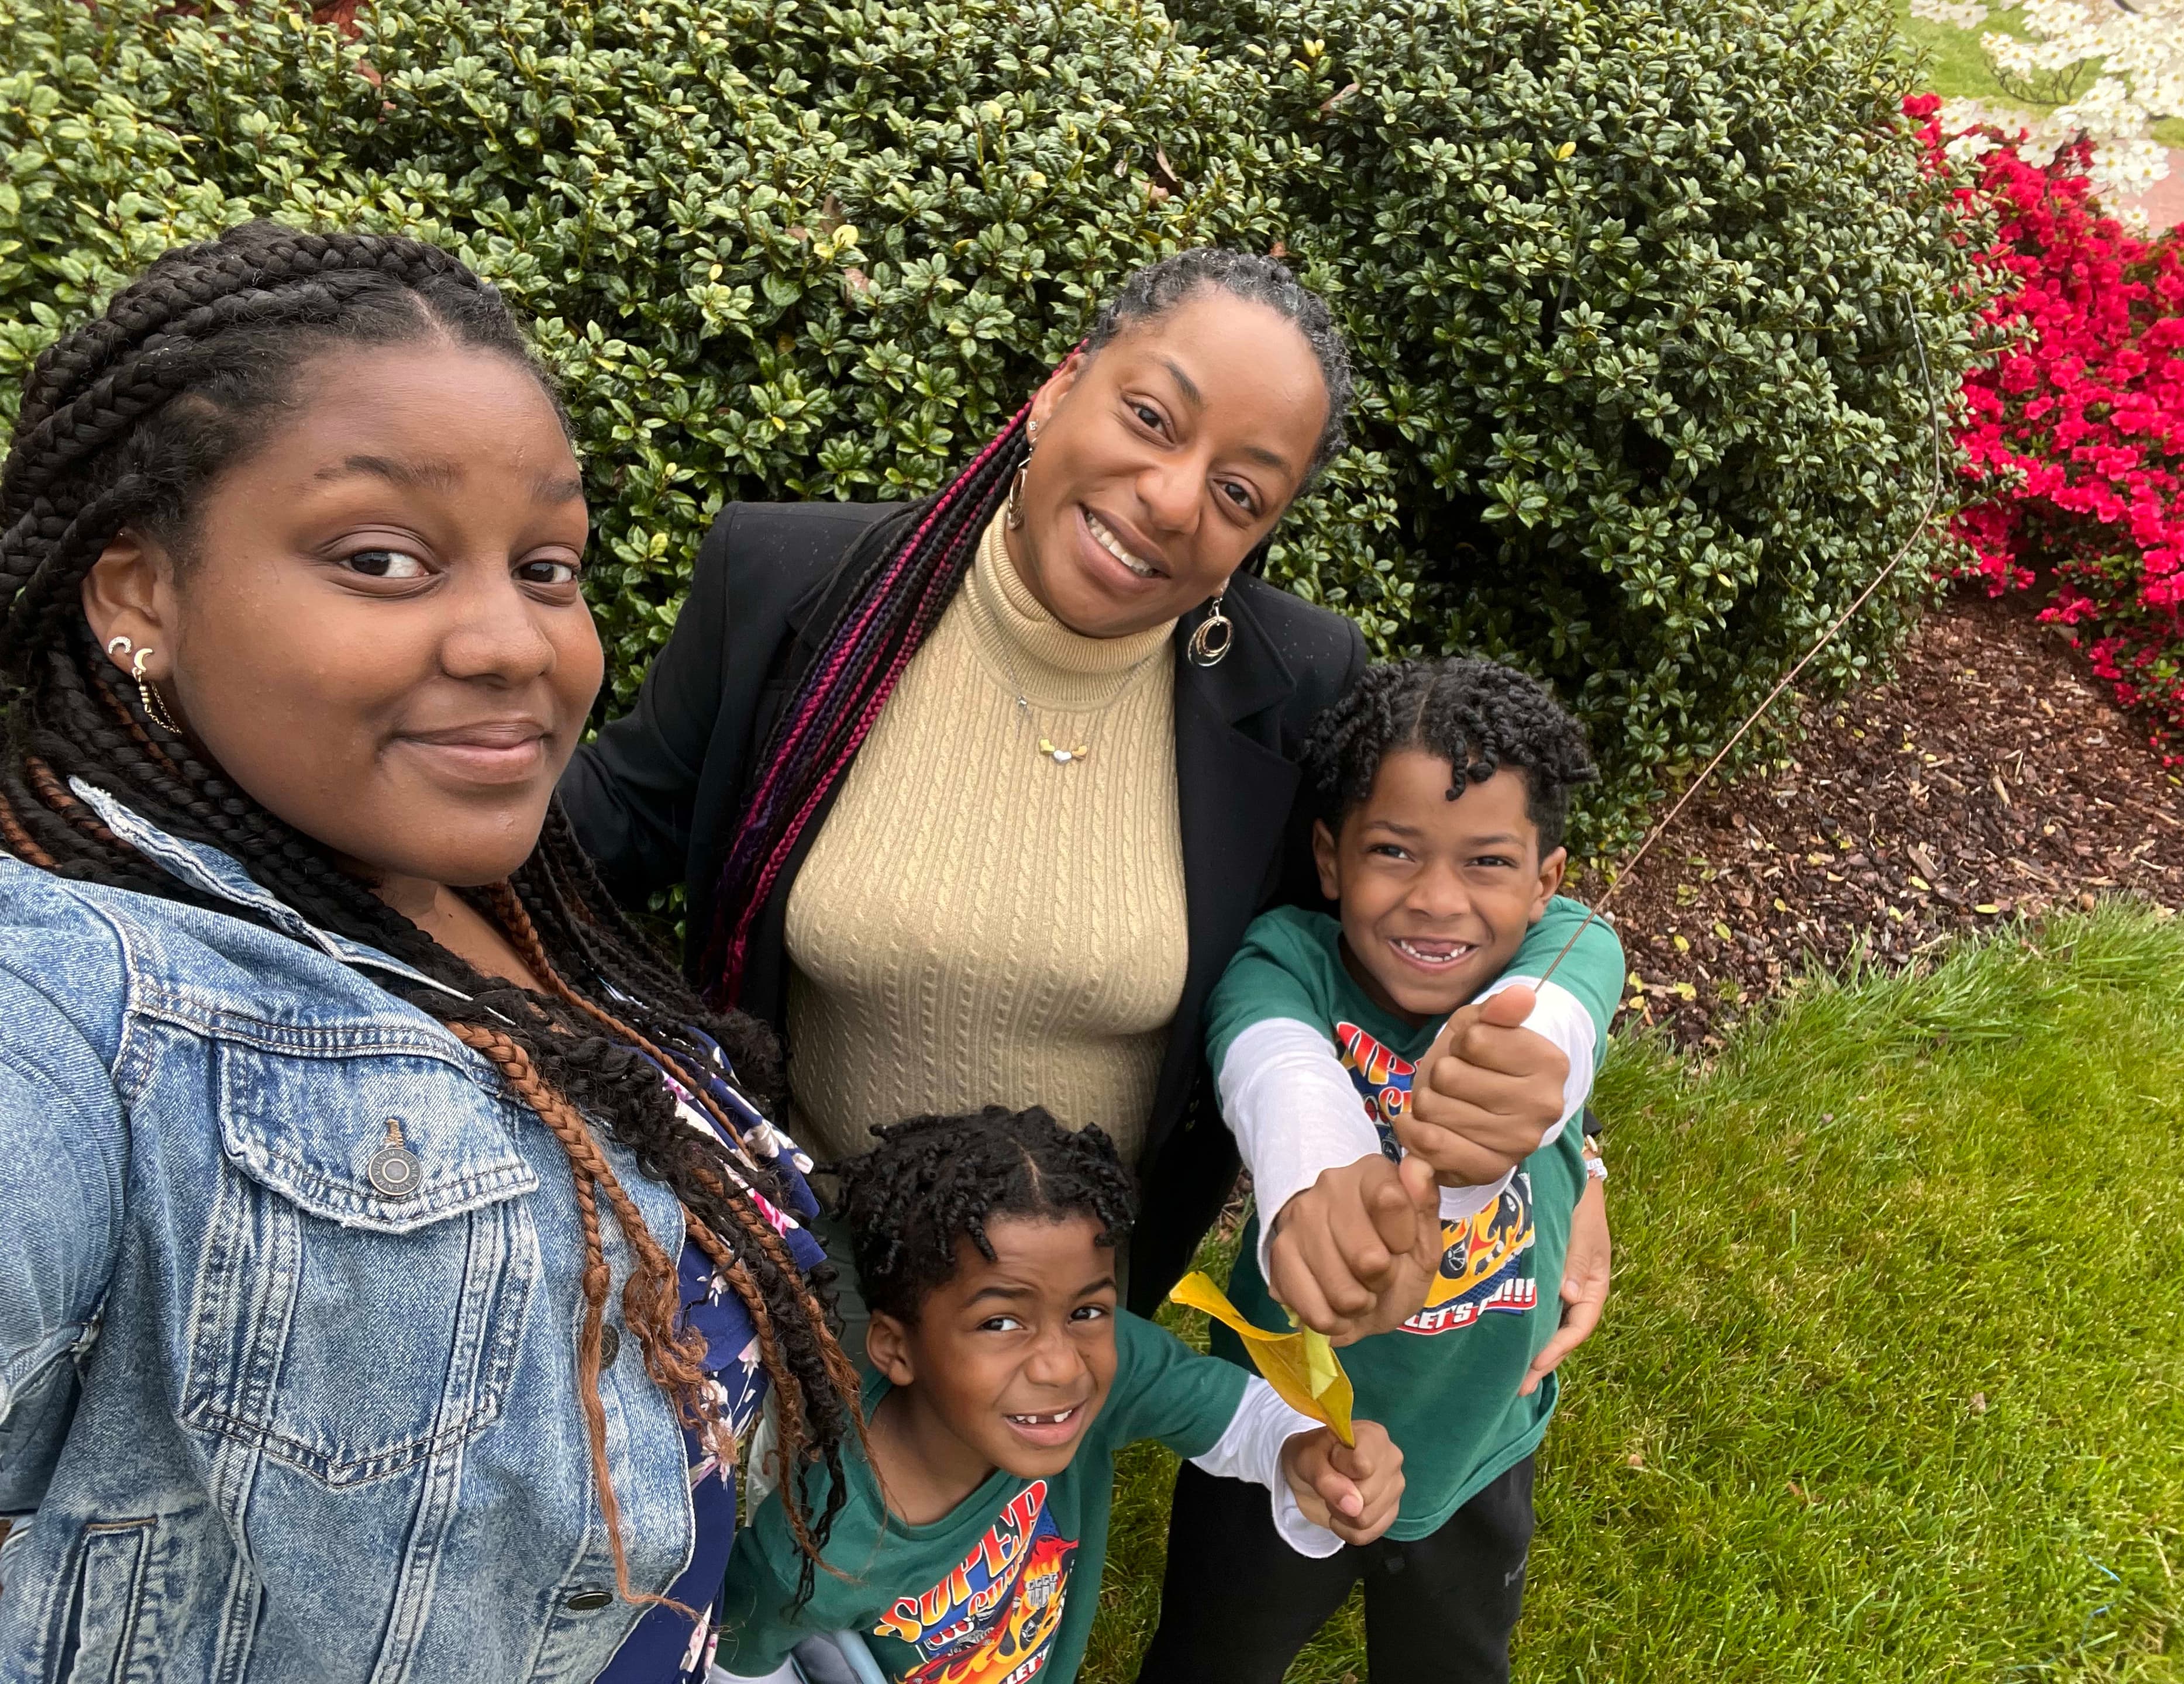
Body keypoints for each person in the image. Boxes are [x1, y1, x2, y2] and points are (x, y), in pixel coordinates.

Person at [0, 223, 857, 1682]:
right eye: (382, 558)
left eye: (547, 566)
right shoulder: (80, 1003)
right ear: (139, 592)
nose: (514, 643)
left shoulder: (505, 916)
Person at [558, 250, 1588, 1313]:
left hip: (1078, 1323)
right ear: (1061, 385)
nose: (1173, 500)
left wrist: (1560, 1148)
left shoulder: (1296, 689)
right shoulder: (792, 586)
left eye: (1239, 492)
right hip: (799, 1265)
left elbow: (1408, 926)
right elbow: (602, 830)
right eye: (1151, 418)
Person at [1135, 659, 1628, 1683]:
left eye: (1488, 862)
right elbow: (1275, 1070)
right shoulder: (1284, 961)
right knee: (1211, 1659)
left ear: (1546, 883)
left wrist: (1534, 1083)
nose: (1437, 900)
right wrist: (1324, 1189)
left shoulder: (1570, 952)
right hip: (1289, 1424)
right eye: (1394, 851)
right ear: (1329, 857)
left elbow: (1563, 1020)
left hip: (1481, 1436)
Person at [712, 1107, 1406, 1684]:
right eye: (1000, 1322)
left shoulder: (1107, 1369)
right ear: (895, 1348)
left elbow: (1236, 1417)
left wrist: (1300, 1452)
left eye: (1086, 1310)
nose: (1060, 1364)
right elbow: (735, 1663)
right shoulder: (818, 1547)